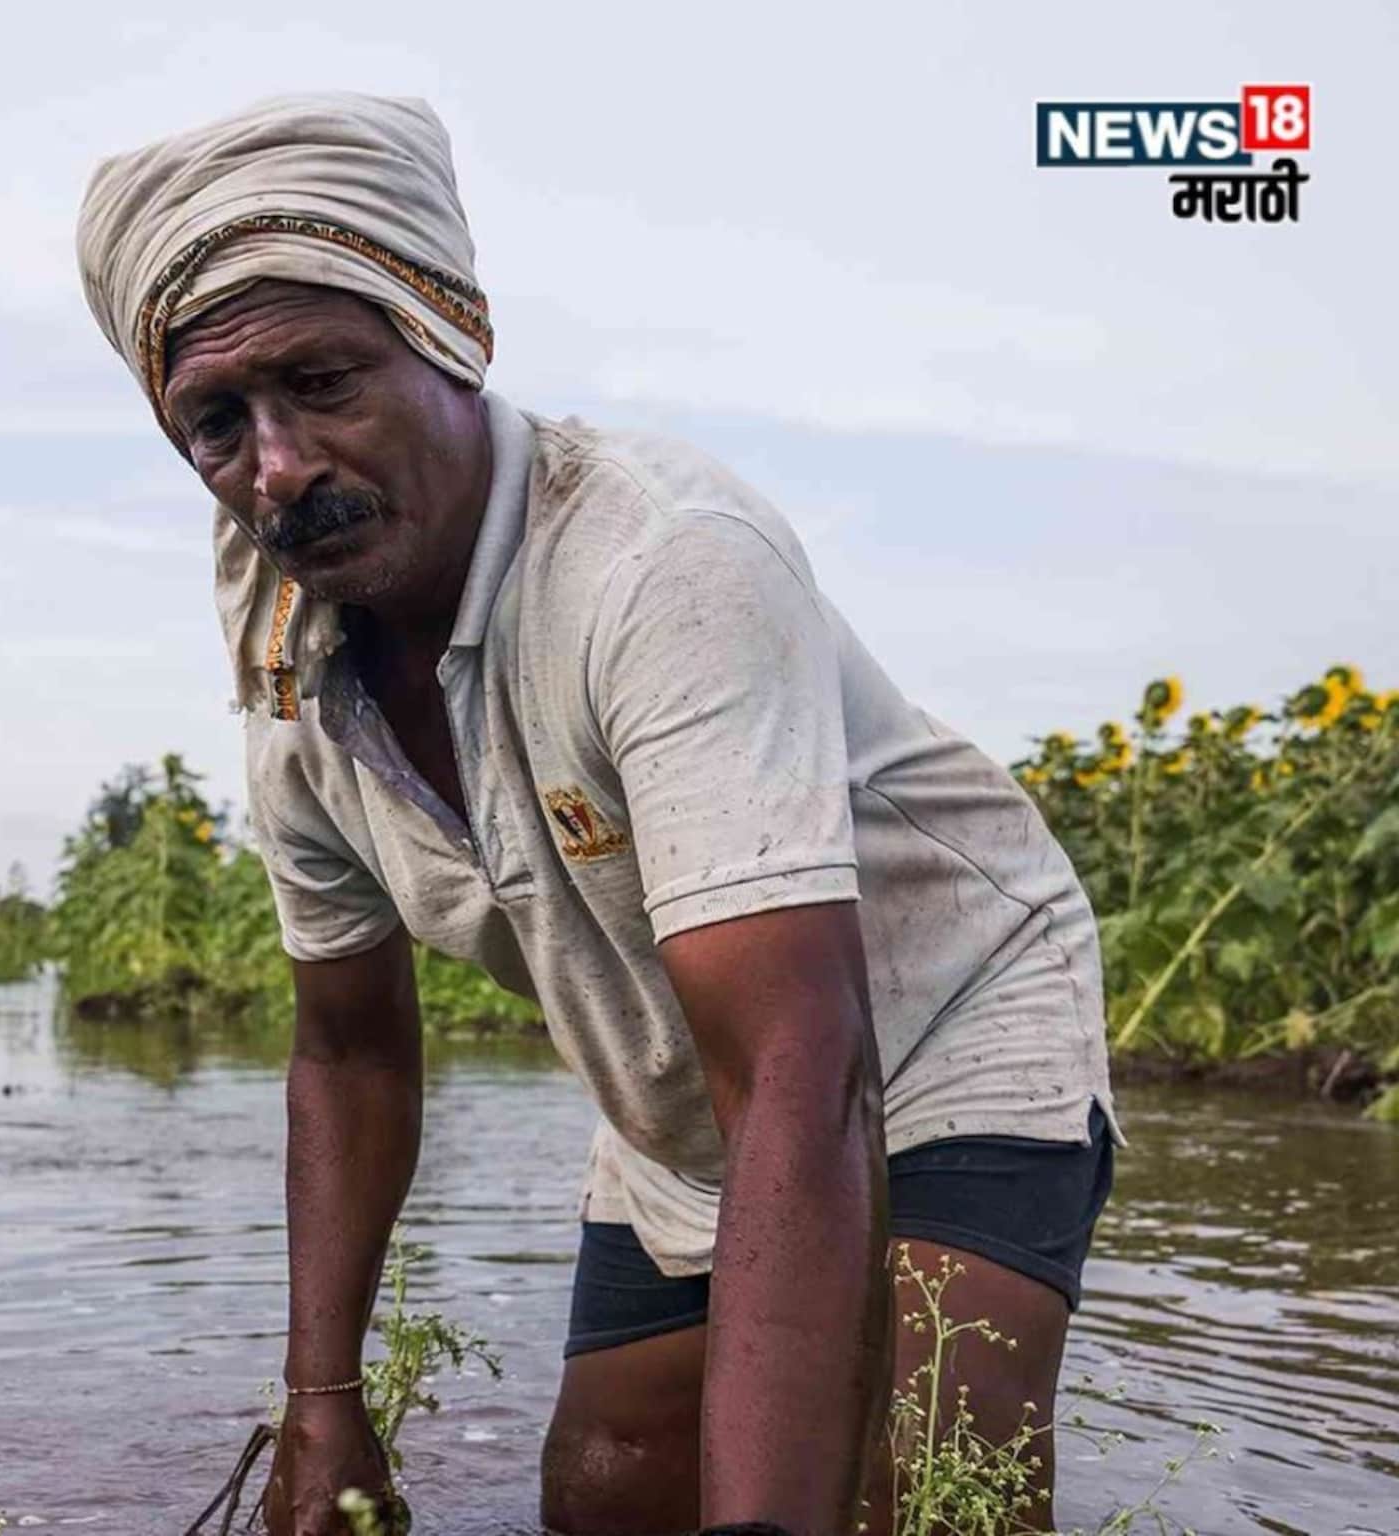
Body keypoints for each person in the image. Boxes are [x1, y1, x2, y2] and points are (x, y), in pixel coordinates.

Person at [76, 93, 1119, 1536]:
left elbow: (807, 1070)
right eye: (218, 422)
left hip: (936, 1019)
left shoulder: (656, 565)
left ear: (446, 336)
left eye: (322, 383)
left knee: (927, 1495)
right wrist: (322, 1408)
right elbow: (351, 1049)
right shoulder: (294, 679)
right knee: (606, 1500)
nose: (279, 466)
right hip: (686, 1090)